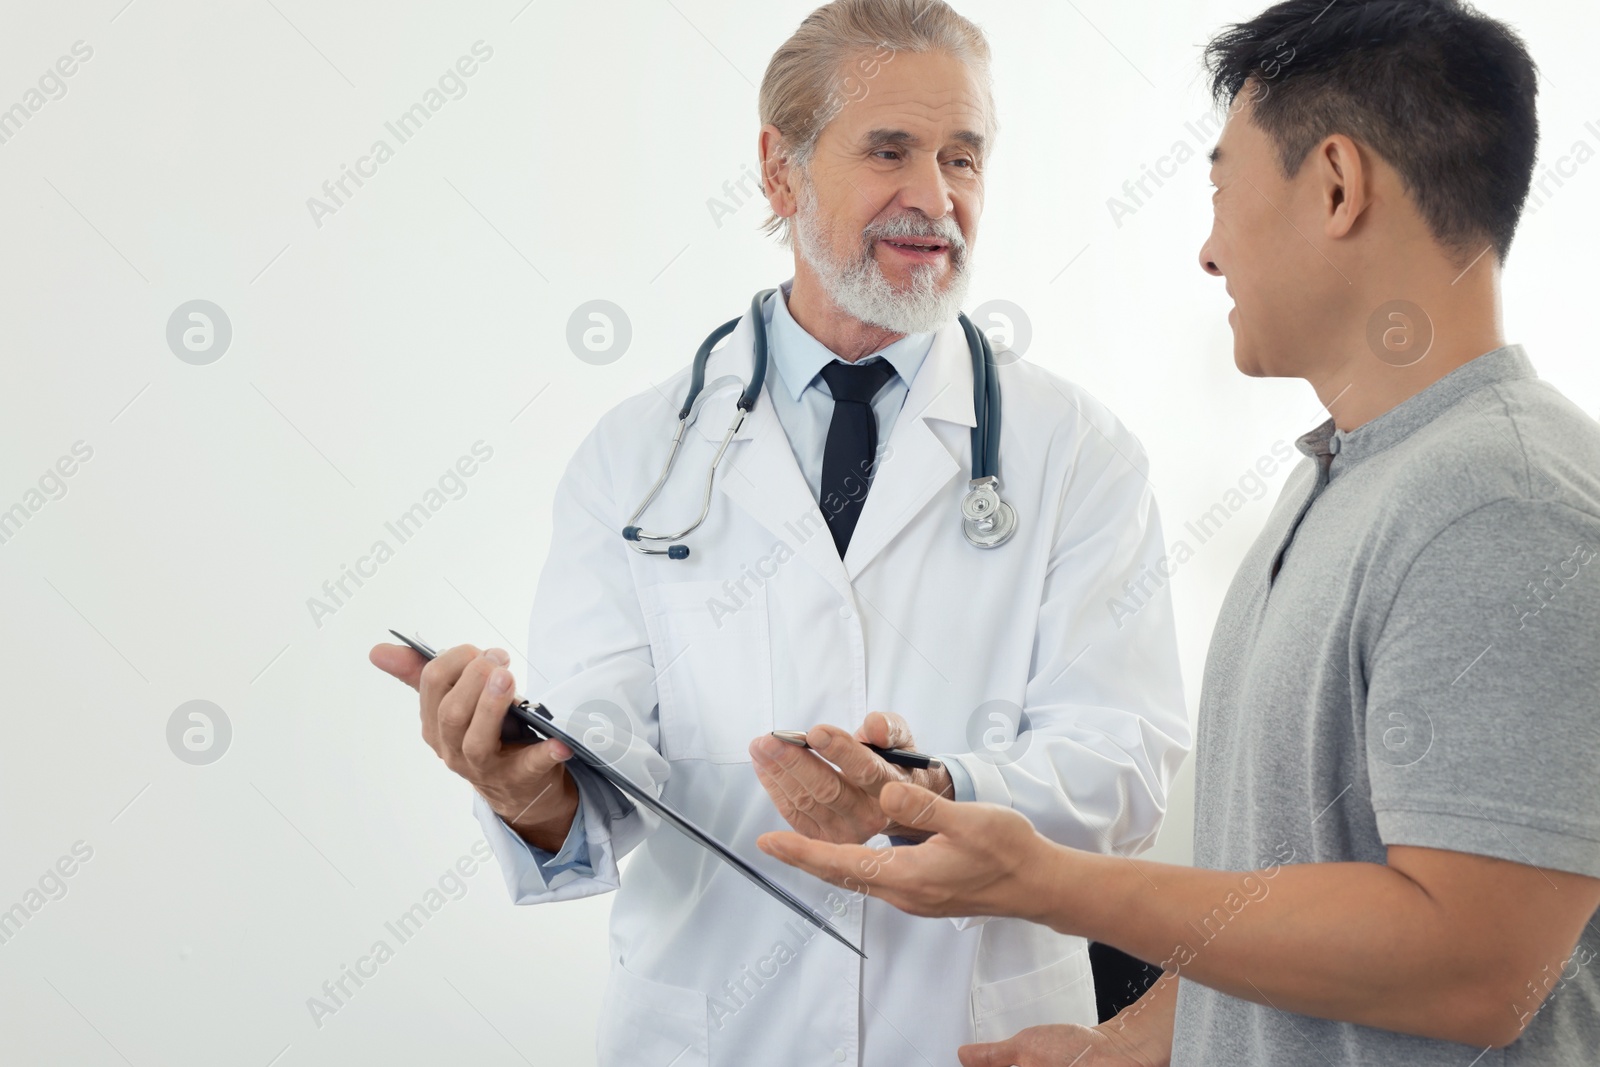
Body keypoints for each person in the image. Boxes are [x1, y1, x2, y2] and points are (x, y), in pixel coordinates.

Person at [756, 2, 1600, 1065]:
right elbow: (1293, 889)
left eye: (1221, 186)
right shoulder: (1338, 484)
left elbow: (1474, 963)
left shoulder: (1500, 504)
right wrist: (1124, 1045)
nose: (1207, 250)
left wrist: (1042, 878)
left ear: (1335, 185)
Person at [369, 2, 1191, 1064]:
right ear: (779, 171)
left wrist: (930, 792)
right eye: (889, 149)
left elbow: (1122, 771)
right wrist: (531, 790)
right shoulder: (636, 455)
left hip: (975, 1028)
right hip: (715, 1032)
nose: (935, 198)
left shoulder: (1076, 450)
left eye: (962, 157)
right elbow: (600, 758)